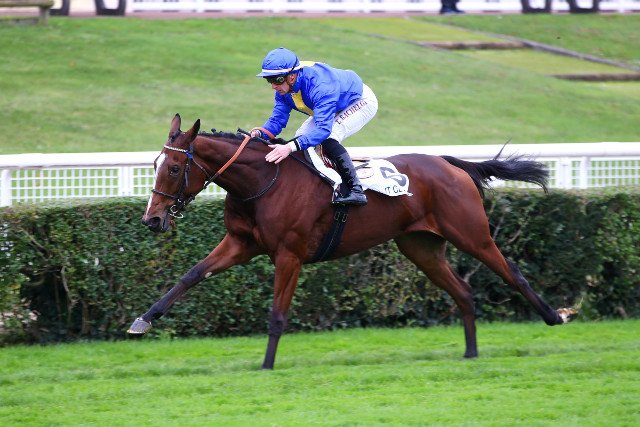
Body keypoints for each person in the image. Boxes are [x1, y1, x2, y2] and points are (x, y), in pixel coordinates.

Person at [251, 47, 378, 206]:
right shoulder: (284, 90)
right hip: (333, 103)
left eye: (276, 80)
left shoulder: (319, 85)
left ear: (291, 76)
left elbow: (323, 129)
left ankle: (356, 190)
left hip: (358, 100)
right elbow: (277, 121)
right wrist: (259, 134)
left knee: (328, 137)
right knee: (300, 138)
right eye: (269, 80)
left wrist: (289, 147)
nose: (273, 86)